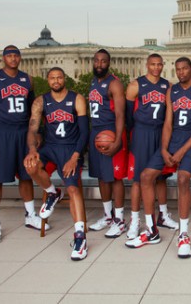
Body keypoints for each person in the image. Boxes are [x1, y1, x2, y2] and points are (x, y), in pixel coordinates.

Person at [126, 57, 191, 258]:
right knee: (146, 176)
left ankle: (183, 235)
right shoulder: (172, 91)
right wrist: (164, 149)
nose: (181, 72)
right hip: (174, 139)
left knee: (182, 178)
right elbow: (168, 124)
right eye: (178, 69)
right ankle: (152, 230)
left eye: (184, 69)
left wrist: (182, 151)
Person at [0, 45, 46, 244]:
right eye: (9, 55)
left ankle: (30, 215)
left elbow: (34, 109)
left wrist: (37, 132)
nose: (13, 58)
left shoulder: (28, 79)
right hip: (1, 131)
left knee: (26, 174)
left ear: (20, 58)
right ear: (3, 58)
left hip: (23, 131)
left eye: (16, 55)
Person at [23, 67, 89, 260]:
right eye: (52, 78)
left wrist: (75, 157)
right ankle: (52, 192)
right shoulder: (40, 101)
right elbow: (32, 129)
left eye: (59, 77)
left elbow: (84, 132)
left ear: (64, 79)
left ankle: (80, 237)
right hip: (50, 147)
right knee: (30, 165)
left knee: (74, 189)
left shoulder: (76, 99)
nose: (56, 80)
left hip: (70, 149)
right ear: (48, 80)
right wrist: (33, 150)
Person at [125, 53, 178, 240]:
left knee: (161, 176)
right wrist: (135, 133)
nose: (156, 67)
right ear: (147, 65)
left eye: (159, 64)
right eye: (152, 64)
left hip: (161, 132)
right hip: (142, 132)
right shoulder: (135, 85)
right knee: (138, 179)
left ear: (163, 65)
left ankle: (163, 215)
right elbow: (128, 116)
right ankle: (134, 220)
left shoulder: (168, 86)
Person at [87, 49, 128, 238]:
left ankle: (119, 219)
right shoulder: (94, 82)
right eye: (96, 61)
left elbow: (120, 114)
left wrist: (118, 140)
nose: (99, 64)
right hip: (96, 132)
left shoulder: (115, 84)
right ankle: (107, 216)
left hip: (111, 132)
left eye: (103, 61)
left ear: (108, 63)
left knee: (115, 177)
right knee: (102, 177)